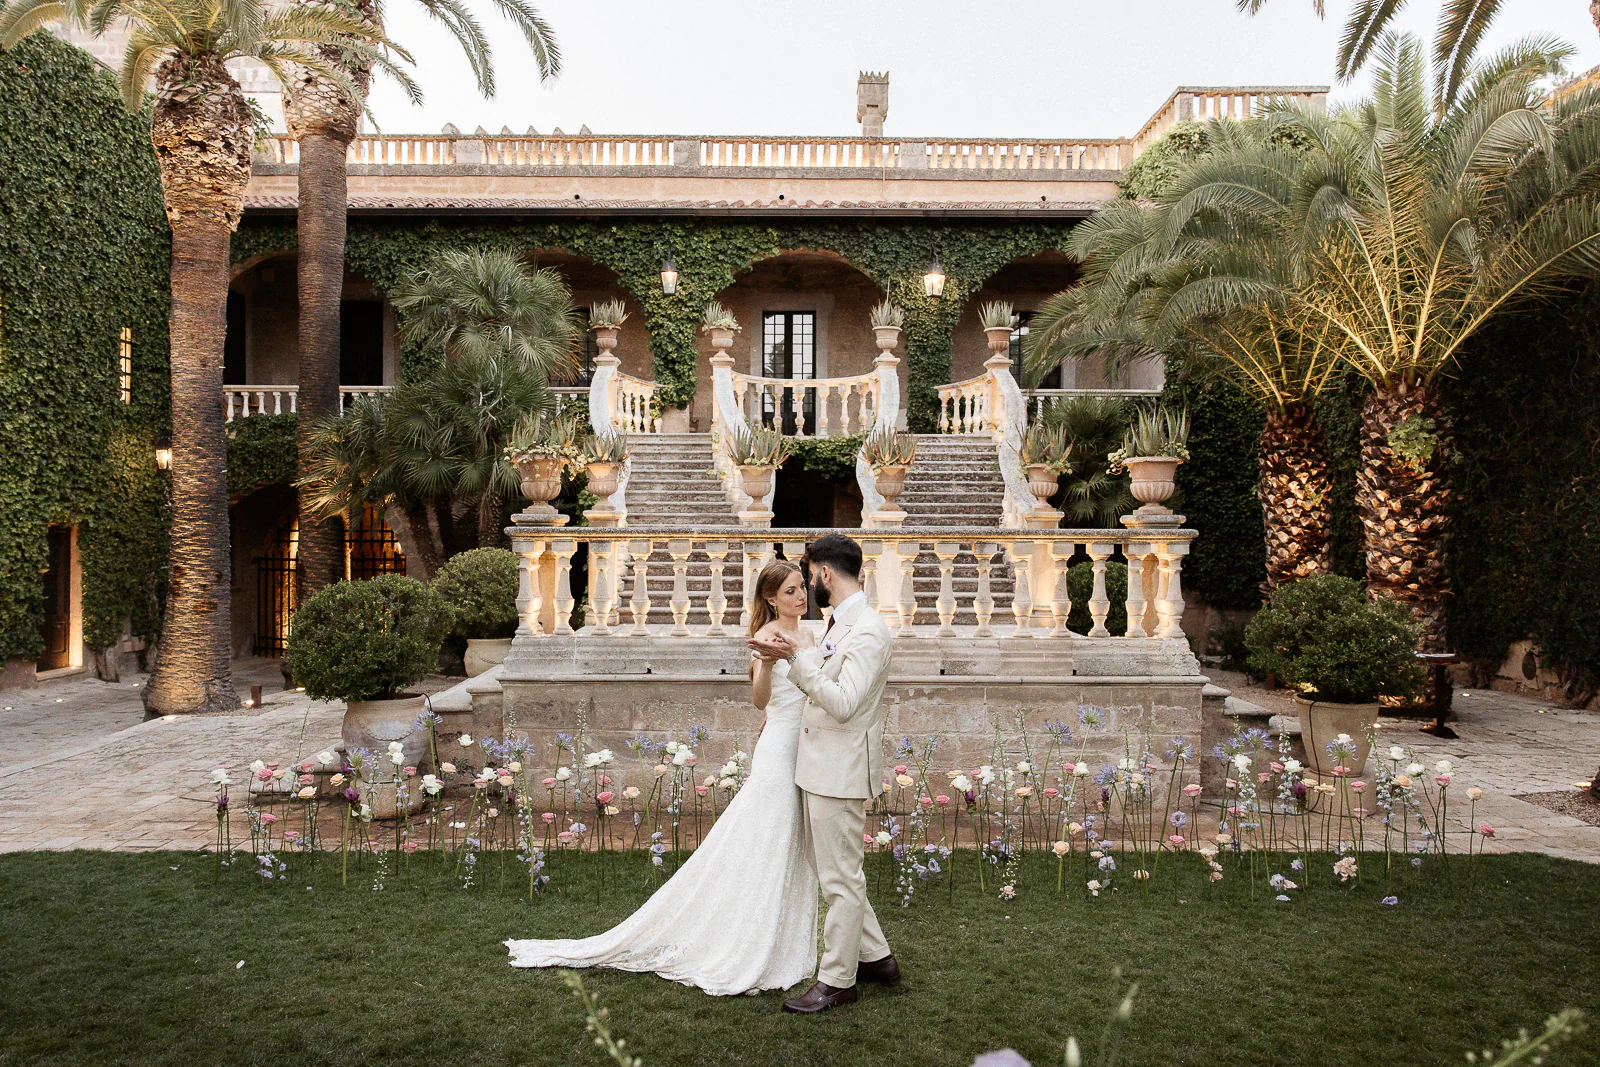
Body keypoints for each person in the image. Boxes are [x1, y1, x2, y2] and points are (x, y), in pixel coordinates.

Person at [503, 559, 820, 996]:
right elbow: (760, 700)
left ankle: (779, 938)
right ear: (770, 599)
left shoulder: (813, 632)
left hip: (809, 746)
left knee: (790, 842)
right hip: (780, 751)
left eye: (802, 587)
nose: (800, 596)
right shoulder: (765, 638)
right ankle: (745, 942)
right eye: (789, 591)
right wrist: (765, 664)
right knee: (768, 837)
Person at [748, 532, 901, 1014]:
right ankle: (877, 957)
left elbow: (842, 704)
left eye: (810, 574)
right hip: (818, 764)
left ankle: (838, 980)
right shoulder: (840, 623)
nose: (808, 583)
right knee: (832, 869)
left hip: (840, 768)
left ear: (825, 574)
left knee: (840, 879)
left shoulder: (869, 631)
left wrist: (793, 660)